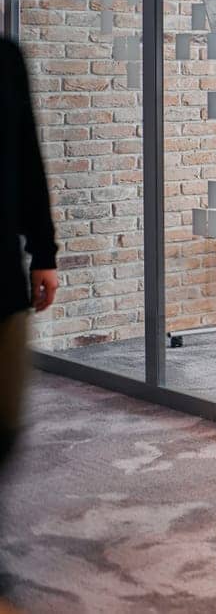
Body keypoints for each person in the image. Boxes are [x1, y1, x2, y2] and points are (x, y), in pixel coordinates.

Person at [1, 37, 59, 606]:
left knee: (6, 423)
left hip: (0, 274)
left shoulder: (5, 59)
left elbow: (27, 155)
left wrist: (44, 251)